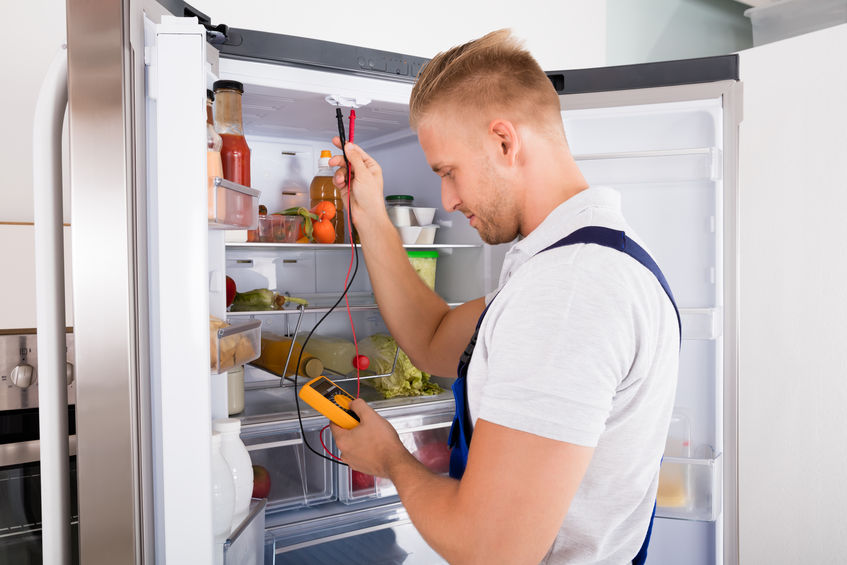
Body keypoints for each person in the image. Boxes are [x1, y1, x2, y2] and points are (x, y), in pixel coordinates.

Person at [328, 29, 680, 565]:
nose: (447, 199)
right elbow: (434, 339)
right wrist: (370, 214)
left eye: (449, 171)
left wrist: (391, 460)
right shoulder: (586, 260)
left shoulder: (569, 289)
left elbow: (490, 550)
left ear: (503, 141)